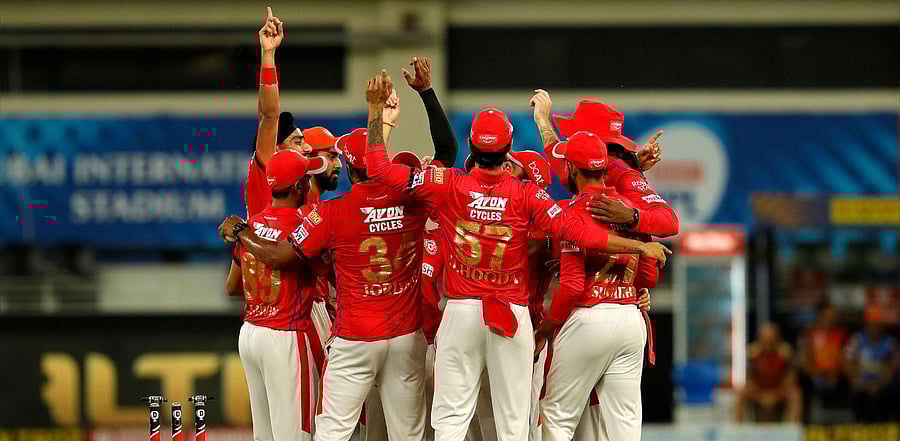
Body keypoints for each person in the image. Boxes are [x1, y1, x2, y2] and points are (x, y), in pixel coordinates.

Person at [364, 70, 671, 441]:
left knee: (450, 422)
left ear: (472, 149)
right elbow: (580, 231)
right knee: (513, 426)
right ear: (509, 150)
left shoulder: (447, 184)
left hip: (460, 312)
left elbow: (379, 169)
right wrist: (639, 245)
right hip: (510, 314)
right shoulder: (528, 195)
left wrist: (375, 113)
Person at [536, 131, 657, 441]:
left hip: (588, 316)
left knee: (558, 418)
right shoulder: (630, 209)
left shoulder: (572, 213)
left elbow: (573, 286)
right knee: (624, 426)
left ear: (573, 170)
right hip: (630, 320)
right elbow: (648, 277)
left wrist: (547, 330)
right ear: (605, 168)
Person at [221, 150, 329, 441]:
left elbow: (232, 287)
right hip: (286, 334)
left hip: (251, 333)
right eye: (306, 179)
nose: (309, 184)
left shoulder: (252, 223)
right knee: (295, 434)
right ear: (298, 187)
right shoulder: (302, 223)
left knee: (265, 435)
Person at [735, 322, 802, 423]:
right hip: (758, 391)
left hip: (779, 390)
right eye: (765, 338)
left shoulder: (786, 352)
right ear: (759, 338)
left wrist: (775, 394)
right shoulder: (752, 353)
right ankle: (738, 429)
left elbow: (790, 379)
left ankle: (793, 427)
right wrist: (761, 395)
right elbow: (749, 379)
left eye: (771, 338)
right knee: (741, 393)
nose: (768, 341)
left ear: (777, 338)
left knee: (795, 394)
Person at [844, 307, 898, 422]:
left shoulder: (890, 343)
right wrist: (862, 383)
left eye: (877, 324)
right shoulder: (857, 339)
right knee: (857, 396)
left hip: (883, 386)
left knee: (889, 395)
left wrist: (879, 384)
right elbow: (847, 362)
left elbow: (894, 367)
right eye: (872, 324)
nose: (875, 327)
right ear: (866, 325)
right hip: (861, 385)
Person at [797, 302, 847, 421]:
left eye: (834, 315)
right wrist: (816, 373)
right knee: (803, 381)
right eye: (829, 314)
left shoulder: (841, 334)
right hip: (814, 374)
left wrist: (836, 372)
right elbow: (803, 358)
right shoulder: (808, 333)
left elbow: (845, 357)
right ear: (821, 315)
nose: (832, 317)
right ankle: (806, 421)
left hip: (836, 375)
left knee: (848, 382)